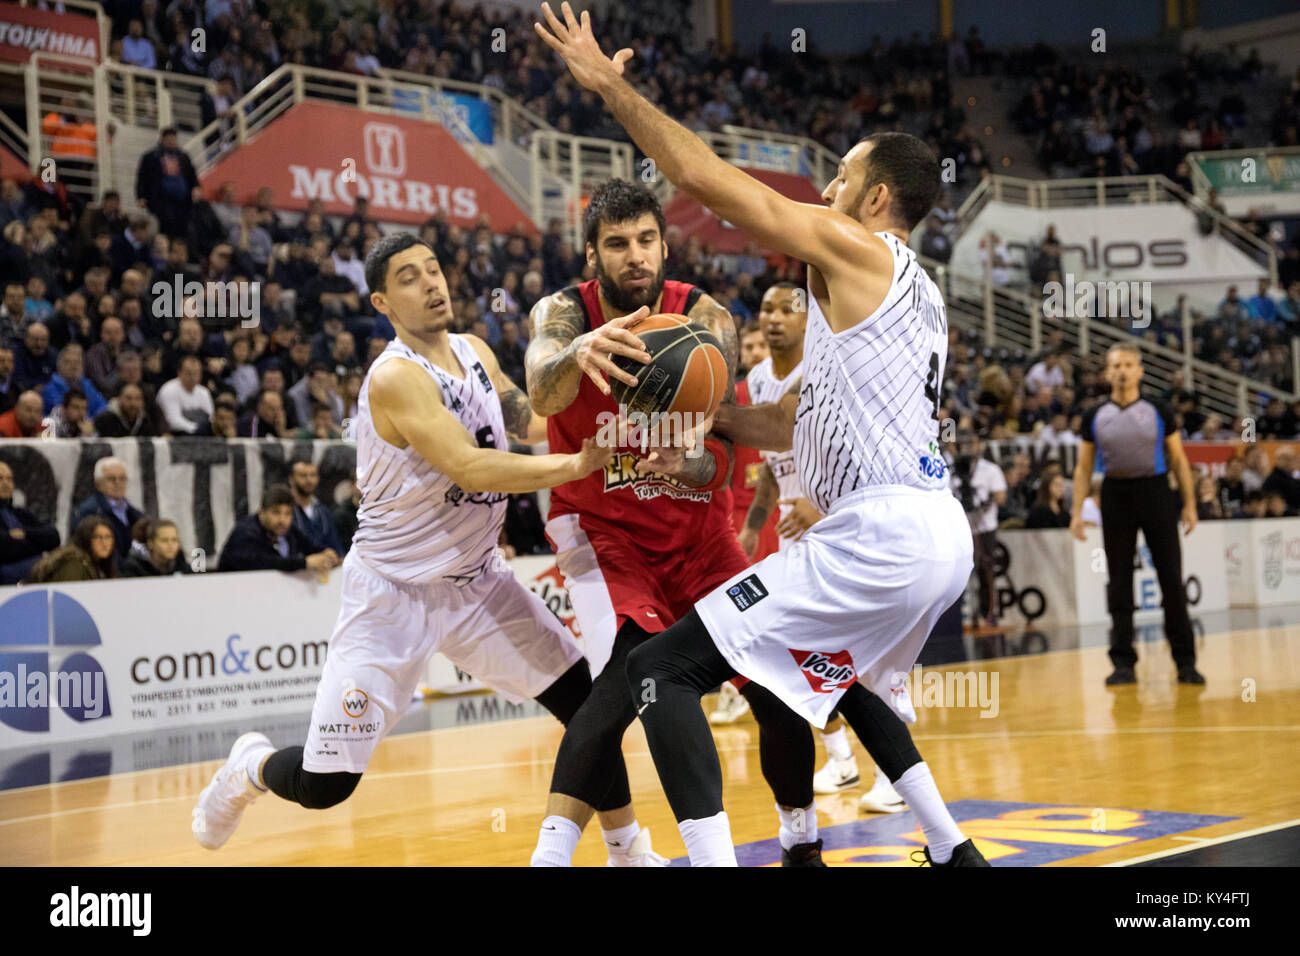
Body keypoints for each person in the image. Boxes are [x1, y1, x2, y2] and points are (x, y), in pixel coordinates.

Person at [536, 3, 985, 866]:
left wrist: (612, 88)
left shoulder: (860, 248)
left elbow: (709, 183)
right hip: (931, 534)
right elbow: (787, 419)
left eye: (842, 177)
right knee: (820, 678)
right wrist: (696, 417)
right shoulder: (911, 296)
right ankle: (944, 849)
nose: (827, 190)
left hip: (880, 536)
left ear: (877, 198)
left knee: (661, 673)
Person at [193, 233, 614, 854]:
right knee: (326, 784)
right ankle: (250, 766)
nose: (433, 283)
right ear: (383, 302)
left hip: (475, 584)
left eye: (435, 269)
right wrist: (578, 465)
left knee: (587, 702)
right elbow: (471, 467)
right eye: (411, 278)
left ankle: (628, 848)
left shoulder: (474, 351)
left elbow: (528, 423)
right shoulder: (395, 378)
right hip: (391, 598)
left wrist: (599, 392)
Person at [524, 178, 821, 867]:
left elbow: (719, 463)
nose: (635, 256)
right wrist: (579, 353)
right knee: (629, 674)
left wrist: (683, 465)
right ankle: (551, 857)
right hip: (604, 534)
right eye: (617, 244)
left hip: (696, 533)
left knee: (775, 683)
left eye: (647, 240)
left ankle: (801, 845)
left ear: (665, 244)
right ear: (593, 256)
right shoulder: (564, 313)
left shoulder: (708, 319)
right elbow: (542, 385)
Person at [738, 279, 907, 815]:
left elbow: (857, 443)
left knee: (867, 658)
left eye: (788, 307)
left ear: (810, 318)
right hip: (795, 534)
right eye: (766, 307)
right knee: (796, 653)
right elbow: (770, 460)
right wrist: (754, 520)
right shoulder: (759, 377)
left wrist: (823, 505)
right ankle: (840, 758)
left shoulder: (831, 365)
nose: (774, 316)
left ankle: (894, 776)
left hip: (845, 522)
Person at [1070, 343, 1203, 686]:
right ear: (1108, 372)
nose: (1123, 371)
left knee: (1171, 579)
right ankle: (1123, 663)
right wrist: (1076, 512)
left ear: (1140, 371)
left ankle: (1186, 662)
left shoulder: (1158, 410)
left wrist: (1189, 505)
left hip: (1157, 492)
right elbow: (1084, 467)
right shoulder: (1095, 415)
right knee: (1119, 582)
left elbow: (1178, 460)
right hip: (1115, 494)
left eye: (1129, 364)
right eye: (1117, 365)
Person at [951, 430, 1006, 627]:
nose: (967, 447)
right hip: (962, 528)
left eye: (971, 443)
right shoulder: (954, 470)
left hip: (985, 527)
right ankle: (965, 617)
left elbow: (1001, 496)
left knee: (986, 569)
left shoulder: (990, 470)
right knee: (961, 572)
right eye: (963, 443)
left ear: (978, 445)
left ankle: (989, 614)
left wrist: (983, 501)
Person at [217, 485, 340, 573]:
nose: (282, 520)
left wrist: (326, 554)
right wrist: (305, 563)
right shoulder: (245, 532)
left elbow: (310, 548)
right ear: (261, 512)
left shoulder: (289, 531)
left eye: (288, 514)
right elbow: (266, 562)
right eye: (276, 513)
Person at [70, 457, 145, 561]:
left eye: (122, 478)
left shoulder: (135, 513)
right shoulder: (88, 513)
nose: (118, 483)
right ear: (98, 483)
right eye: (111, 479)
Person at [0, 459, 60, 584]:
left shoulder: (20, 513)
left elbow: (54, 537)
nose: (6, 483)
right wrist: (39, 546)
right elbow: (5, 548)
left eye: (9, 479)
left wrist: (26, 533)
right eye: (0, 478)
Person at [27, 515, 118, 582]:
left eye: (108, 537)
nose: (104, 543)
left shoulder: (102, 564)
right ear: (86, 538)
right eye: (98, 537)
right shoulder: (72, 563)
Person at [287, 458, 344, 555]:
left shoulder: (324, 512)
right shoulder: (284, 511)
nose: (309, 480)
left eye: (313, 475)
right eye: (303, 476)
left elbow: (336, 547)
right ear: (291, 479)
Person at [157, 354, 214, 434]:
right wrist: (198, 429)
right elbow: (173, 421)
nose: (193, 377)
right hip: (177, 435)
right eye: (188, 373)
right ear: (179, 373)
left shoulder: (204, 392)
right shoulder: (169, 390)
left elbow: (211, 418)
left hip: (200, 434)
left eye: (196, 373)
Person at [121, 518, 194, 576]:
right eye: (164, 540)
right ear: (151, 543)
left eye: (174, 540)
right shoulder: (133, 569)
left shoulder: (182, 565)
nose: (170, 545)